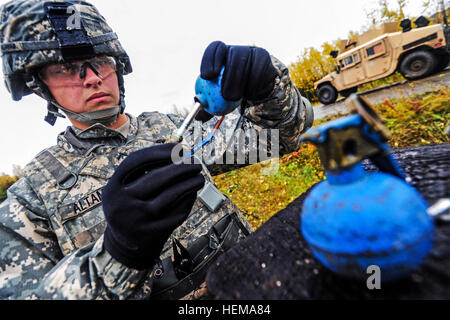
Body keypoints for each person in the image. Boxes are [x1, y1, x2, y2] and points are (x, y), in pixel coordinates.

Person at [0, 0, 313, 300]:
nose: (93, 78)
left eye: (100, 63)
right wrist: (118, 253)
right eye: (68, 69)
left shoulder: (172, 130)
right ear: (39, 86)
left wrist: (268, 86)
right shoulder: (32, 199)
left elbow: (274, 140)